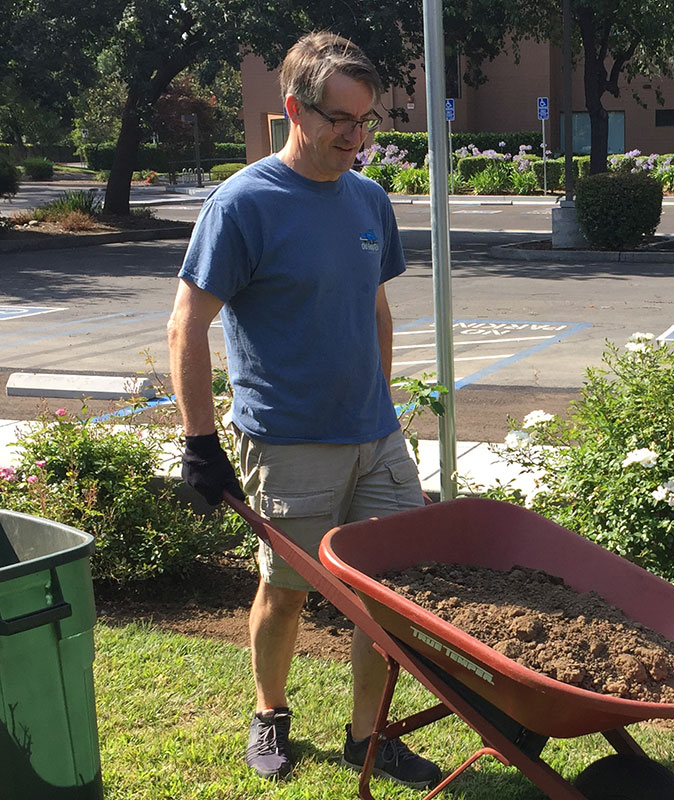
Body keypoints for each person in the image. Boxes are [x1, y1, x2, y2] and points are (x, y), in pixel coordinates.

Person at [166, 31, 441, 789]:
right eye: (341, 120)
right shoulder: (244, 203)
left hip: (374, 437)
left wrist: (380, 408)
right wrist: (200, 441)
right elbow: (188, 323)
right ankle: (270, 715)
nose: (356, 137)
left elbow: (376, 309)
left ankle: (367, 737)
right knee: (285, 591)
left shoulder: (368, 198)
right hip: (288, 440)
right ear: (295, 108)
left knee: (386, 595)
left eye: (368, 121)